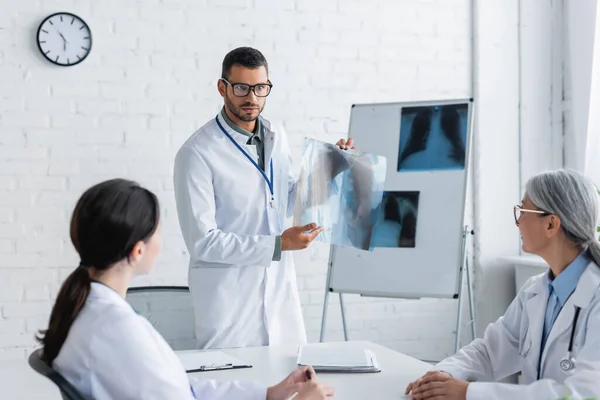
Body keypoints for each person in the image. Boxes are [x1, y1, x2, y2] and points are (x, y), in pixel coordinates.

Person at [36, 179, 334, 400]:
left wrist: (268, 393)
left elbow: (180, 387)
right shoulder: (117, 328)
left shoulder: (90, 308)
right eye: (158, 232)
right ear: (138, 251)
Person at [173, 46, 355, 349]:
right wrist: (279, 244)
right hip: (229, 301)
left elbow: (284, 199)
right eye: (242, 87)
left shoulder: (275, 134)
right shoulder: (196, 154)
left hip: (278, 290)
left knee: (290, 381)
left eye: (260, 88)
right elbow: (202, 242)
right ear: (222, 87)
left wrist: (331, 169)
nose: (252, 98)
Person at [405, 169, 600, 399]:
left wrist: (468, 393)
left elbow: (584, 394)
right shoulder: (535, 291)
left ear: (551, 225)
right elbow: (491, 351)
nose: (518, 223)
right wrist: (441, 375)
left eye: (523, 211)